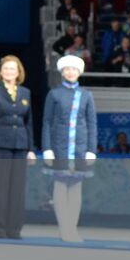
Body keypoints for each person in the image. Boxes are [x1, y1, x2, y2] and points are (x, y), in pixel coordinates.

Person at [42, 54, 97, 243]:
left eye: (74, 69)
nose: (71, 72)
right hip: (59, 148)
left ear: (79, 72)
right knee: (60, 186)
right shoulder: (54, 94)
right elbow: (47, 123)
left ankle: (72, 229)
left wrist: (91, 150)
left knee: (75, 188)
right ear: (62, 72)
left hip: (80, 149)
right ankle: (64, 228)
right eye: (67, 69)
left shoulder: (86, 95)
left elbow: (91, 124)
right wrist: (47, 148)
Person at [0, 54, 36, 239]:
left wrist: (30, 149)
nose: (9, 72)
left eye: (12, 69)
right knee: (1, 189)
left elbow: (28, 123)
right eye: (5, 68)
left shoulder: (25, 93)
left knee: (17, 190)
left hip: (20, 145)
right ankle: (0, 228)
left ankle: (15, 229)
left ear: (18, 72)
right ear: (0, 72)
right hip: (0, 145)